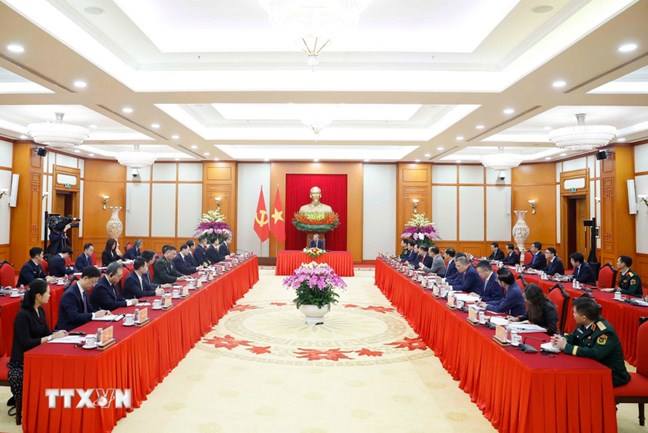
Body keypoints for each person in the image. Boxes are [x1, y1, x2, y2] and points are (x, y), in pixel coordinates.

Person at [8, 279, 67, 425]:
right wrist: (50, 337)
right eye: (47, 293)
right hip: (22, 362)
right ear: (38, 296)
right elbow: (26, 343)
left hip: (38, 356)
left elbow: (46, 333)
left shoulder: (40, 310)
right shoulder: (23, 315)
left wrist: (57, 334)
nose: (50, 295)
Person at [550, 297, 630, 387]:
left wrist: (566, 347)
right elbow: (574, 337)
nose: (573, 315)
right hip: (592, 367)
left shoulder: (605, 332)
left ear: (584, 317)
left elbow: (595, 353)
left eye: (574, 312)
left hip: (611, 375)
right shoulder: (585, 323)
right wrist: (562, 339)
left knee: (573, 380)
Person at [56, 266, 109, 331]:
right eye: (93, 282)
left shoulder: (84, 291)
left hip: (82, 325)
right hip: (70, 330)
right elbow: (74, 317)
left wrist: (102, 313)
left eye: (95, 282)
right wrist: (94, 315)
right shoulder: (70, 294)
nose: (94, 285)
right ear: (85, 278)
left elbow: (90, 310)